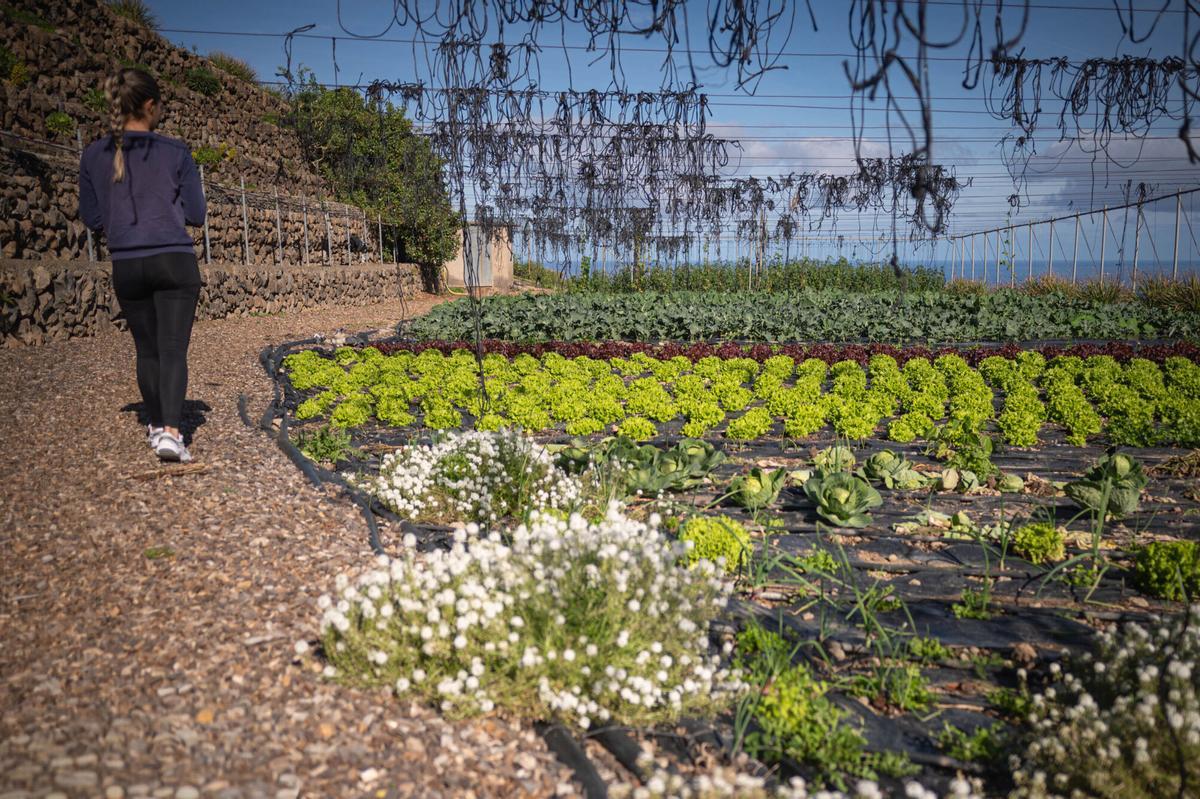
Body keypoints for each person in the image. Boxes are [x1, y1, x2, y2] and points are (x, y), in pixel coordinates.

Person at [79, 67, 206, 462]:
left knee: (146, 350)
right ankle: (171, 433)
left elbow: (92, 218)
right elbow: (197, 214)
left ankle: (154, 424)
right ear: (150, 105)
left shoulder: (94, 154)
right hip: (173, 262)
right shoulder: (174, 151)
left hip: (127, 265)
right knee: (172, 350)